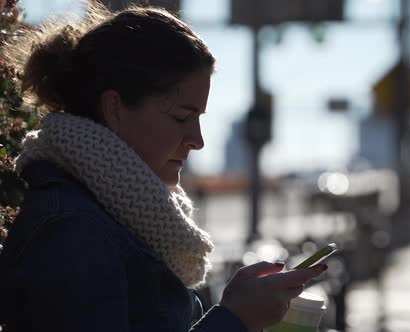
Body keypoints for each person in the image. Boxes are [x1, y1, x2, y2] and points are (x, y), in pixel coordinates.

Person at [0, 4, 326, 332]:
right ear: (114, 108)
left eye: (199, 119)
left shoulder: (108, 214)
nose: (197, 140)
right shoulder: (72, 233)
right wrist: (234, 320)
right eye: (181, 117)